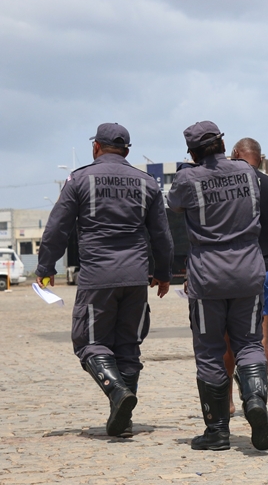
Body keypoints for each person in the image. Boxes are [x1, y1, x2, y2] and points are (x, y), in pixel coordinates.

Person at [35, 122, 174, 438]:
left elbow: (57, 228)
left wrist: (45, 268)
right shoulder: (147, 183)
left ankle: (115, 393)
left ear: (96, 147)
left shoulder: (79, 179)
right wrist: (164, 274)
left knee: (90, 342)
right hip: (137, 277)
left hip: (98, 278)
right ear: (126, 151)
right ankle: (121, 419)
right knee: (128, 346)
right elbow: (162, 236)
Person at [166, 121, 268, 451]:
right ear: (223, 143)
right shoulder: (246, 172)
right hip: (248, 270)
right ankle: (254, 398)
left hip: (208, 275)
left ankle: (217, 431)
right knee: (250, 342)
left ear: (193, 151)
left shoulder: (187, 178)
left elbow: (173, 205)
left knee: (211, 350)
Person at [223, 137, 268, 414]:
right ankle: (258, 397)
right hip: (267, 267)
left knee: (226, 340)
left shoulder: (228, 185)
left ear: (235, 154)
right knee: (261, 339)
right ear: (260, 158)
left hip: (234, 268)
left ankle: (226, 402)